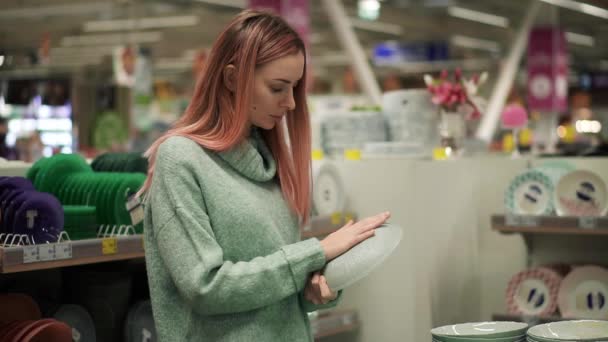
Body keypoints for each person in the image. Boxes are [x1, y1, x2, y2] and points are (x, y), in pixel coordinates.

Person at [138, 10, 390, 342]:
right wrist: (314, 254)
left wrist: (316, 284)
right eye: (277, 88)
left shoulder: (270, 163)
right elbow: (205, 287)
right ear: (231, 79)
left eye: (295, 89)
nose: (290, 103)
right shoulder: (181, 159)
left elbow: (276, 286)